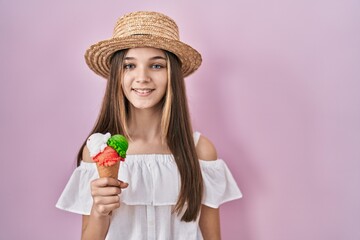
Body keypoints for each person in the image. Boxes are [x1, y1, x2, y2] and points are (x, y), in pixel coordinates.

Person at [56, 11, 242, 240]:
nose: (142, 77)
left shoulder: (200, 151)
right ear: (117, 75)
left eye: (156, 66)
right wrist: (99, 211)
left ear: (171, 74)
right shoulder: (97, 152)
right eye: (129, 66)